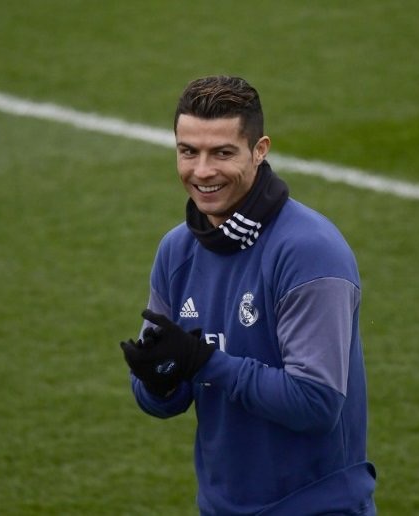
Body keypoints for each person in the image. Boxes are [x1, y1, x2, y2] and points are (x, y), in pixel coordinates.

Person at [120, 75, 376, 515]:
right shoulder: (177, 251)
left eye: (222, 153)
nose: (202, 171)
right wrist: (158, 379)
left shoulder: (309, 252)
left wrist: (205, 362)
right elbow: (163, 401)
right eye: (188, 151)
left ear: (260, 150)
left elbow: (316, 403)